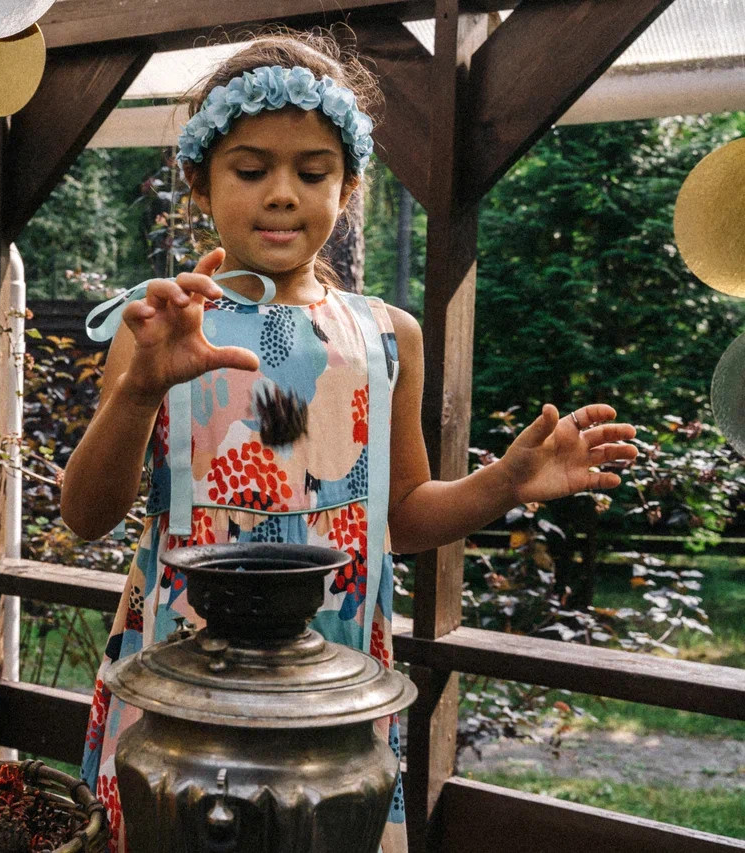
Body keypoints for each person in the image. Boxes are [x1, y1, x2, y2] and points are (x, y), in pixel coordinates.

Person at [61, 30, 638, 852]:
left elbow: (401, 516)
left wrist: (504, 482)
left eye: (313, 171)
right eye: (250, 170)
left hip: (334, 686)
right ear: (199, 181)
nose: (282, 195)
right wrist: (141, 388)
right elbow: (86, 515)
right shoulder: (159, 325)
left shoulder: (385, 337)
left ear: (350, 183)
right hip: (186, 682)